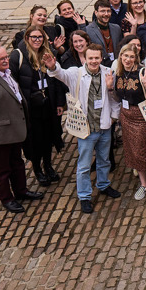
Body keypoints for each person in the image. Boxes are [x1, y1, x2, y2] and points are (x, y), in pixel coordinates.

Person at [45, 44, 121, 214]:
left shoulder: (109, 72)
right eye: (91, 58)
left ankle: (103, 185)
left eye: (97, 58)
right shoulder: (76, 73)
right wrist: (52, 66)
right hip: (86, 129)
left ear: (101, 58)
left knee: (104, 160)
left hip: (104, 126)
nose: (94, 61)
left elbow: (115, 98)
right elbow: (60, 74)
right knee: (84, 165)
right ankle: (85, 196)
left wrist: (114, 116)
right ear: (85, 58)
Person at [0, 45, 41, 213]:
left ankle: (21, 191)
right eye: (2, 59)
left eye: (6, 57)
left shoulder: (7, 72)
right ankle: (7, 199)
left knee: (17, 163)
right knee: (2, 169)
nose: (6, 60)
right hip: (0, 134)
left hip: (15, 130)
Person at [111, 42, 146, 200]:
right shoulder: (119, 73)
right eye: (125, 56)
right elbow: (118, 97)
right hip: (125, 115)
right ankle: (144, 184)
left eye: (131, 56)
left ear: (136, 58)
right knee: (131, 152)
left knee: (141, 153)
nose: (128, 59)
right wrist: (110, 87)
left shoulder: (143, 72)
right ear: (120, 57)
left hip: (141, 116)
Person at [9, 26, 64, 187]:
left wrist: (60, 102)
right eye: (34, 37)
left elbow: (57, 78)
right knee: (35, 140)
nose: (37, 40)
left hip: (48, 103)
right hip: (31, 107)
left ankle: (48, 165)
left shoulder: (49, 53)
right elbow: (12, 83)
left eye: (40, 37)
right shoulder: (18, 56)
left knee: (48, 137)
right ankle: (38, 169)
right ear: (27, 38)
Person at [84, 0, 122, 64]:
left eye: (108, 11)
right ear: (96, 13)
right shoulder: (88, 30)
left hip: (116, 64)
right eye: (103, 11)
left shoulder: (116, 28)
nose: (106, 14)